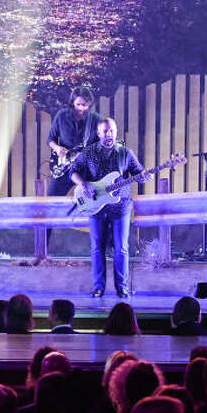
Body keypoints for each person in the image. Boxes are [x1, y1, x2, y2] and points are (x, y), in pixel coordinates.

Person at [69, 118, 144, 297]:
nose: (108, 135)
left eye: (111, 131)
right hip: (96, 206)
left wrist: (142, 176)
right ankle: (98, 287)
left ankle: (122, 287)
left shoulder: (125, 153)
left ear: (116, 131)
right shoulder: (89, 153)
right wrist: (84, 185)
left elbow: (138, 172)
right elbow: (73, 172)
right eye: (104, 132)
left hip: (121, 207)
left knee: (122, 248)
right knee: (97, 248)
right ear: (98, 134)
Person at [46, 86, 102, 196]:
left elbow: (100, 146)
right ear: (72, 103)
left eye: (84, 105)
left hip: (86, 169)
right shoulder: (61, 116)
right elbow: (50, 139)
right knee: (52, 197)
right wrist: (57, 148)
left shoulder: (95, 119)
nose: (81, 108)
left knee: (95, 197)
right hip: (64, 167)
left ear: (89, 103)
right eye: (78, 105)